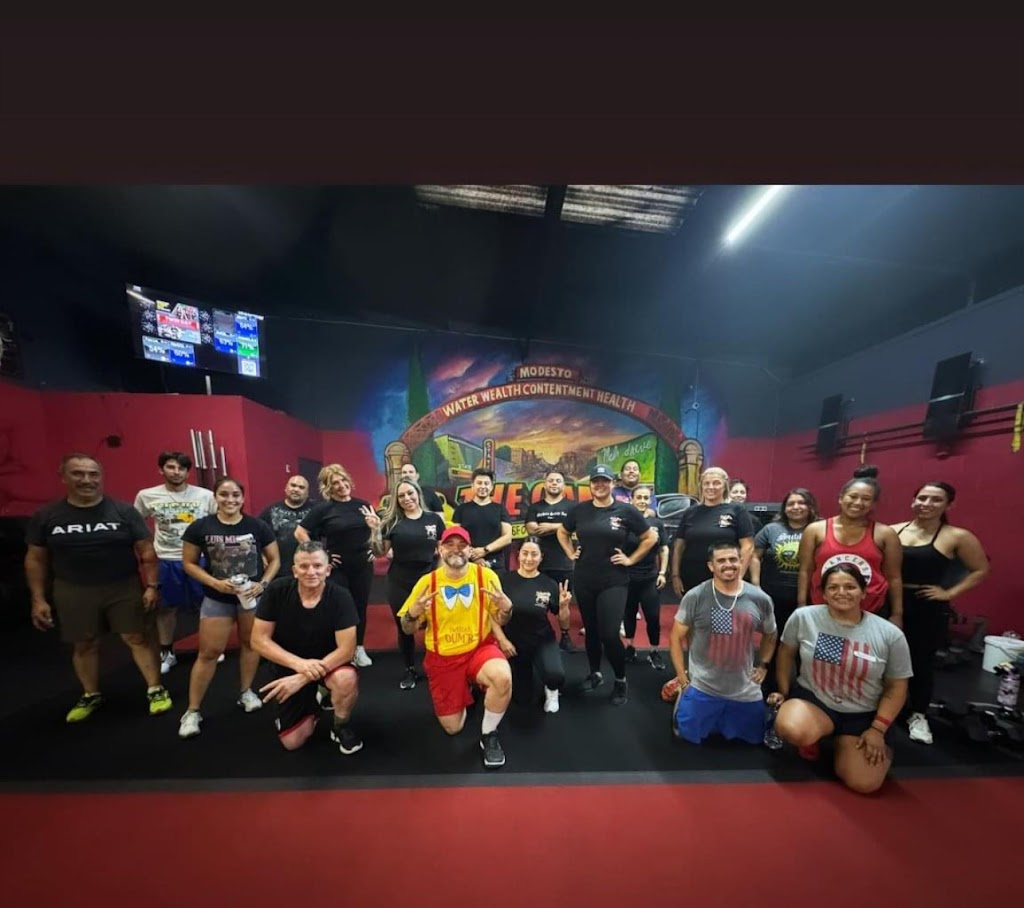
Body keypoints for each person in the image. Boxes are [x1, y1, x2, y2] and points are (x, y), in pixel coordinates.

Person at [25, 454, 172, 722]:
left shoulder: (123, 511)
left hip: (123, 585)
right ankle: (91, 694)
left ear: (101, 477)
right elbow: (35, 558)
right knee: (84, 643)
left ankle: (155, 689)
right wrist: (38, 598)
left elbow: (146, 550)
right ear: (63, 477)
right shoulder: (47, 516)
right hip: (73, 588)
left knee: (138, 637)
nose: (87, 480)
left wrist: (152, 586)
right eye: (78, 474)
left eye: (93, 474)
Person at [769, 563, 913, 794]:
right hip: (817, 702)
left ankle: (846, 742)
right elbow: (785, 653)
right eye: (833, 587)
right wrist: (784, 692)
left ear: (863, 592)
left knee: (864, 784)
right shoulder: (804, 617)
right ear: (823, 594)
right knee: (792, 727)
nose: (842, 592)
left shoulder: (890, 635)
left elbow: (897, 686)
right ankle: (818, 735)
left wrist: (878, 729)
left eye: (850, 587)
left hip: (863, 714)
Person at [396, 526, 514, 768]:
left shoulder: (487, 577)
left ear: (470, 550)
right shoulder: (427, 583)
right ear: (440, 549)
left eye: (462, 545)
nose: (456, 550)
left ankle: (489, 734)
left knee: (503, 677)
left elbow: (501, 620)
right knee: (453, 728)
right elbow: (407, 629)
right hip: (443, 658)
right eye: (449, 545)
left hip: (479, 648)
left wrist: (507, 609)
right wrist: (412, 613)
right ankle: (468, 687)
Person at [178, 477, 280, 739]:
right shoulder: (201, 527)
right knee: (209, 652)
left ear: (243, 498)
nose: (230, 499)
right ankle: (192, 710)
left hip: (250, 597)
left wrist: (262, 584)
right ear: (215, 497)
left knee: (250, 644)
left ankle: (246, 691)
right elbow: (189, 563)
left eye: (235, 495)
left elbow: (274, 560)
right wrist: (214, 583)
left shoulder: (257, 526)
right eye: (224, 494)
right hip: (217, 598)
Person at [890, 482, 990, 744]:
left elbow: (980, 569)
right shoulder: (893, 531)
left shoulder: (956, 536)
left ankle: (918, 714)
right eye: (922, 498)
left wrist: (949, 593)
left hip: (927, 605)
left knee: (920, 663)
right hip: (890, 602)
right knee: (884, 659)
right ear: (913, 501)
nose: (927, 504)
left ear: (948, 505)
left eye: (935, 499)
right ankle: (884, 709)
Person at [557, 464, 658, 706]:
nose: (600, 485)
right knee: (591, 631)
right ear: (590, 484)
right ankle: (595, 674)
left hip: (614, 580)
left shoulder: (626, 510)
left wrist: (631, 559)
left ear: (612, 483)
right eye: (596, 481)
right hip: (584, 579)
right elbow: (562, 532)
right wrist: (570, 552)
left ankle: (620, 680)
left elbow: (650, 537)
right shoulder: (579, 510)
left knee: (610, 634)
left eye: (604, 481)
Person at [250, 541, 363, 755]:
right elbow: (258, 640)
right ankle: (315, 703)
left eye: (317, 566)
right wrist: (300, 665)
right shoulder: (277, 590)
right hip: (289, 665)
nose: (311, 572)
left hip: (330, 664)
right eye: (304, 566)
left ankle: (340, 725)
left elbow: (346, 650)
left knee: (346, 679)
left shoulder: (340, 596)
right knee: (292, 742)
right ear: (294, 570)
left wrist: (302, 678)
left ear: (327, 570)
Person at [668, 542, 777, 745]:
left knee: (754, 739)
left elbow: (771, 634)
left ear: (741, 562)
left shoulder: (760, 598)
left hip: (743, 687)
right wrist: (683, 680)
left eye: (733, 559)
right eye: (721, 560)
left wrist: (763, 665)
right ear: (711, 566)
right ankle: (683, 698)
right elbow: (675, 637)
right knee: (686, 736)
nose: (728, 564)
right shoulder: (696, 596)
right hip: (703, 685)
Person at [133, 451, 217, 675]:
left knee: (207, 605)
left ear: (188, 472)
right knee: (166, 609)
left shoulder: (206, 495)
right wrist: (148, 548)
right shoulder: (147, 496)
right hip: (167, 559)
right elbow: (136, 525)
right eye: (171, 467)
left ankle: (210, 647)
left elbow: (218, 522)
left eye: (181, 468)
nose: (176, 472)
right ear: (161, 469)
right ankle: (167, 652)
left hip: (199, 558)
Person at [797, 465, 903, 627]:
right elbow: (805, 571)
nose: (858, 502)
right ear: (841, 498)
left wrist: (897, 614)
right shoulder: (815, 530)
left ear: (873, 504)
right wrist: (801, 604)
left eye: (866, 499)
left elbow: (894, 577)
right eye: (853, 496)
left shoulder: (886, 534)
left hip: (871, 611)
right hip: (822, 609)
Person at [295, 463, 376, 668]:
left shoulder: (363, 505)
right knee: (339, 607)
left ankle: (358, 649)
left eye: (343, 480)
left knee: (360, 607)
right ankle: (338, 651)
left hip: (362, 566)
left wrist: (375, 544)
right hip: (338, 568)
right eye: (335, 483)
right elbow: (300, 532)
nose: (341, 485)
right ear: (328, 488)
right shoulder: (323, 509)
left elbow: (375, 533)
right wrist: (321, 556)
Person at [369, 478, 446, 690]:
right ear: (396, 499)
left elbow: (443, 550)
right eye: (401, 495)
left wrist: (438, 578)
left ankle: (438, 666)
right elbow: (379, 552)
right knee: (405, 627)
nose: (406, 498)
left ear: (418, 494)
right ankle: (410, 669)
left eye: (410, 493)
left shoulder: (433, 519)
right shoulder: (392, 522)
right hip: (400, 581)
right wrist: (374, 531)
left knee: (436, 625)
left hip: (428, 580)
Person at [490, 538, 571, 713]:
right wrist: (503, 640)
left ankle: (552, 690)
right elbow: (491, 615)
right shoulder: (504, 581)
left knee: (555, 676)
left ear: (541, 557)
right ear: (518, 555)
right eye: (525, 553)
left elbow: (564, 623)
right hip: (513, 643)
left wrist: (564, 607)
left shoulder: (549, 584)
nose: (529, 559)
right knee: (522, 698)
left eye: (534, 554)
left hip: (542, 639)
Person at [751, 487, 819, 693]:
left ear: (810, 506)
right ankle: (770, 685)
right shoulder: (771, 529)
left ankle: (804, 689)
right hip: (774, 596)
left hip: (809, 597)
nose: (796, 507)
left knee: (805, 643)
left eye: (801, 503)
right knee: (774, 639)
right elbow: (755, 556)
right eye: (791, 504)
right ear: (784, 508)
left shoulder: (819, 529)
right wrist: (756, 585)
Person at [670, 466, 755, 599]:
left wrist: (738, 577)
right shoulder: (690, 512)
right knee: (693, 611)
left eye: (716, 483)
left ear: (725, 486)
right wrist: (675, 575)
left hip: (725, 576)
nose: (711, 487)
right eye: (707, 483)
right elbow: (679, 546)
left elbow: (748, 546)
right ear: (701, 486)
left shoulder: (737, 510)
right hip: (691, 576)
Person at [523, 468, 576, 652]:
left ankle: (565, 637)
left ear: (564, 485)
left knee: (563, 603)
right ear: (544, 484)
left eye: (558, 481)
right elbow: (532, 529)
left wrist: (552, 527)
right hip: (539, 564)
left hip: (564, 563)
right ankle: (539, 636)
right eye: (551, 480)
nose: (554, 483)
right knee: (538, 602)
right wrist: (562, 527)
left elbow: (575, 527)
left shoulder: (572, 507)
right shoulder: (535, 507)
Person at [622, 485, 670, 670]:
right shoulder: (624, 523)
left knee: (653, 617)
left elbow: (664, 549)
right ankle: (630, 648)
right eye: (639, 497)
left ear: (649, 500)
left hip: (650, 578)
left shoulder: (656, 523)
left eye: (645, 498)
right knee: (628, 614)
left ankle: (654, 651)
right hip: (627, 578)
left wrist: (662, 573)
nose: (642, 501)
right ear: (631, 500)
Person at [451, 468, 513, 571]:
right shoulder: (461, 509)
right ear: (472, 486)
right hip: (467, 564)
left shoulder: (500, 509)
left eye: (486, 483)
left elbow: (507, 537)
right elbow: (455, 536)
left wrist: (485, 550)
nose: (483, 486)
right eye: (479, 483)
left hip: (495, 565)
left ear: (491, 487)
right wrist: (474, 556)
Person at [258, 475, 315, 578]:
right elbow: (256, 536)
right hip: (278, 571)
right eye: (293, 485)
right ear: (286, 488)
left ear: (307, 493)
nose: (296, 489)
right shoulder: (271, 510)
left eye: (301, 487)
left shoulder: (316, 511)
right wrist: (261, 555)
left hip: (308, 571)